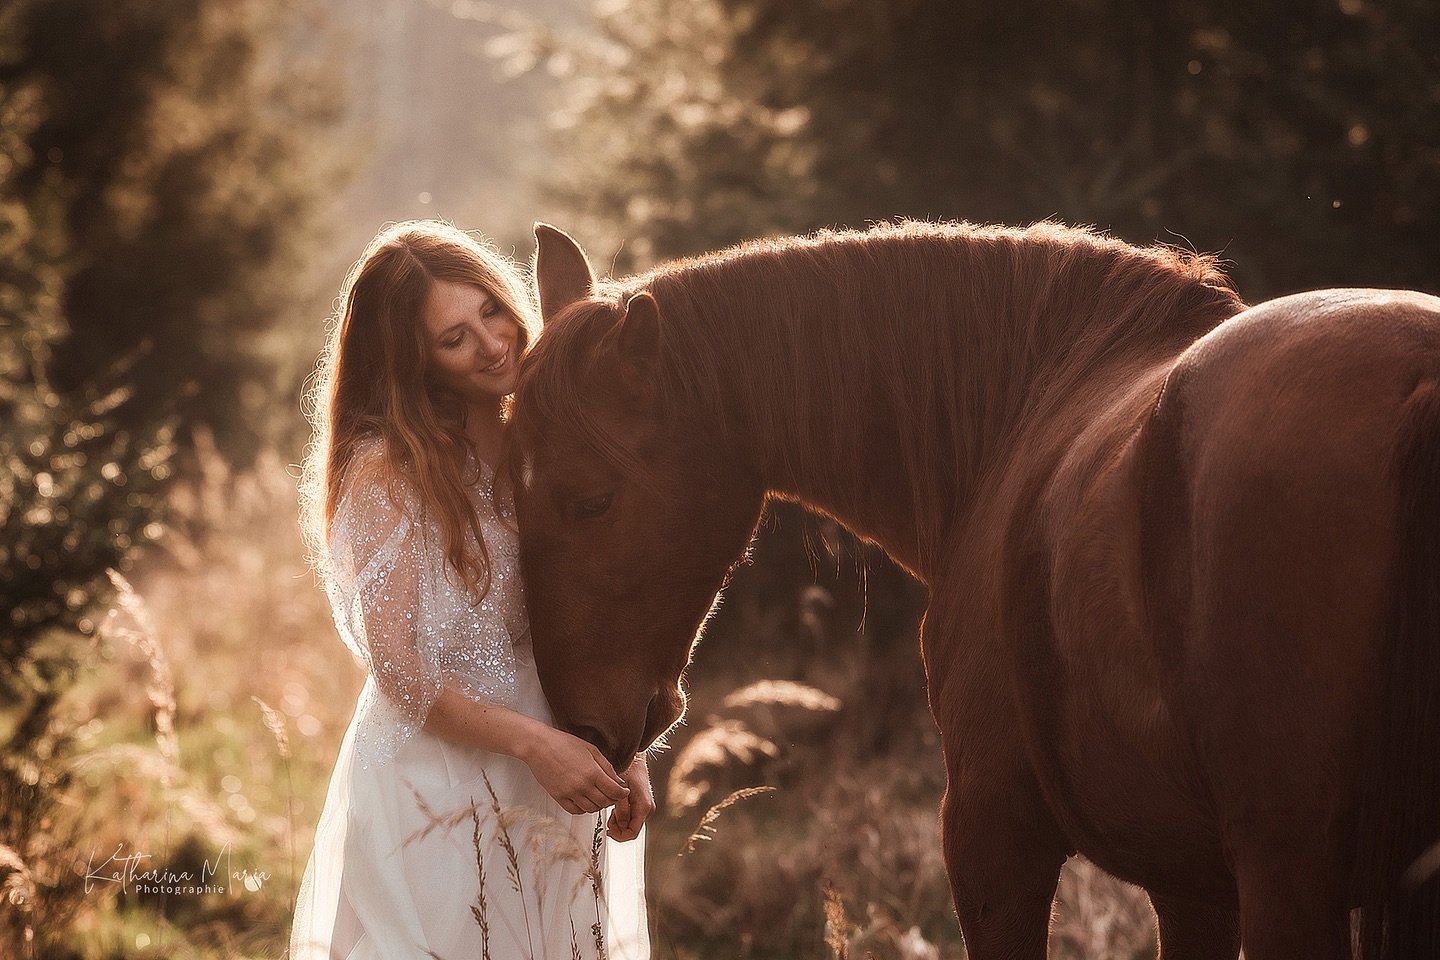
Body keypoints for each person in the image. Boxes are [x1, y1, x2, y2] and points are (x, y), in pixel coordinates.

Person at [289, 220, 651, 960]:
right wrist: (533, 745)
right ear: (413, 363)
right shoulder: (388, 471)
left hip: (566, 768)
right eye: (453, 338)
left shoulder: (549, 441)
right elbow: (401, 671)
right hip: (439, 784)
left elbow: (601, 611)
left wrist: (629, 744)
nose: (491, 343)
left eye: (491, 309)